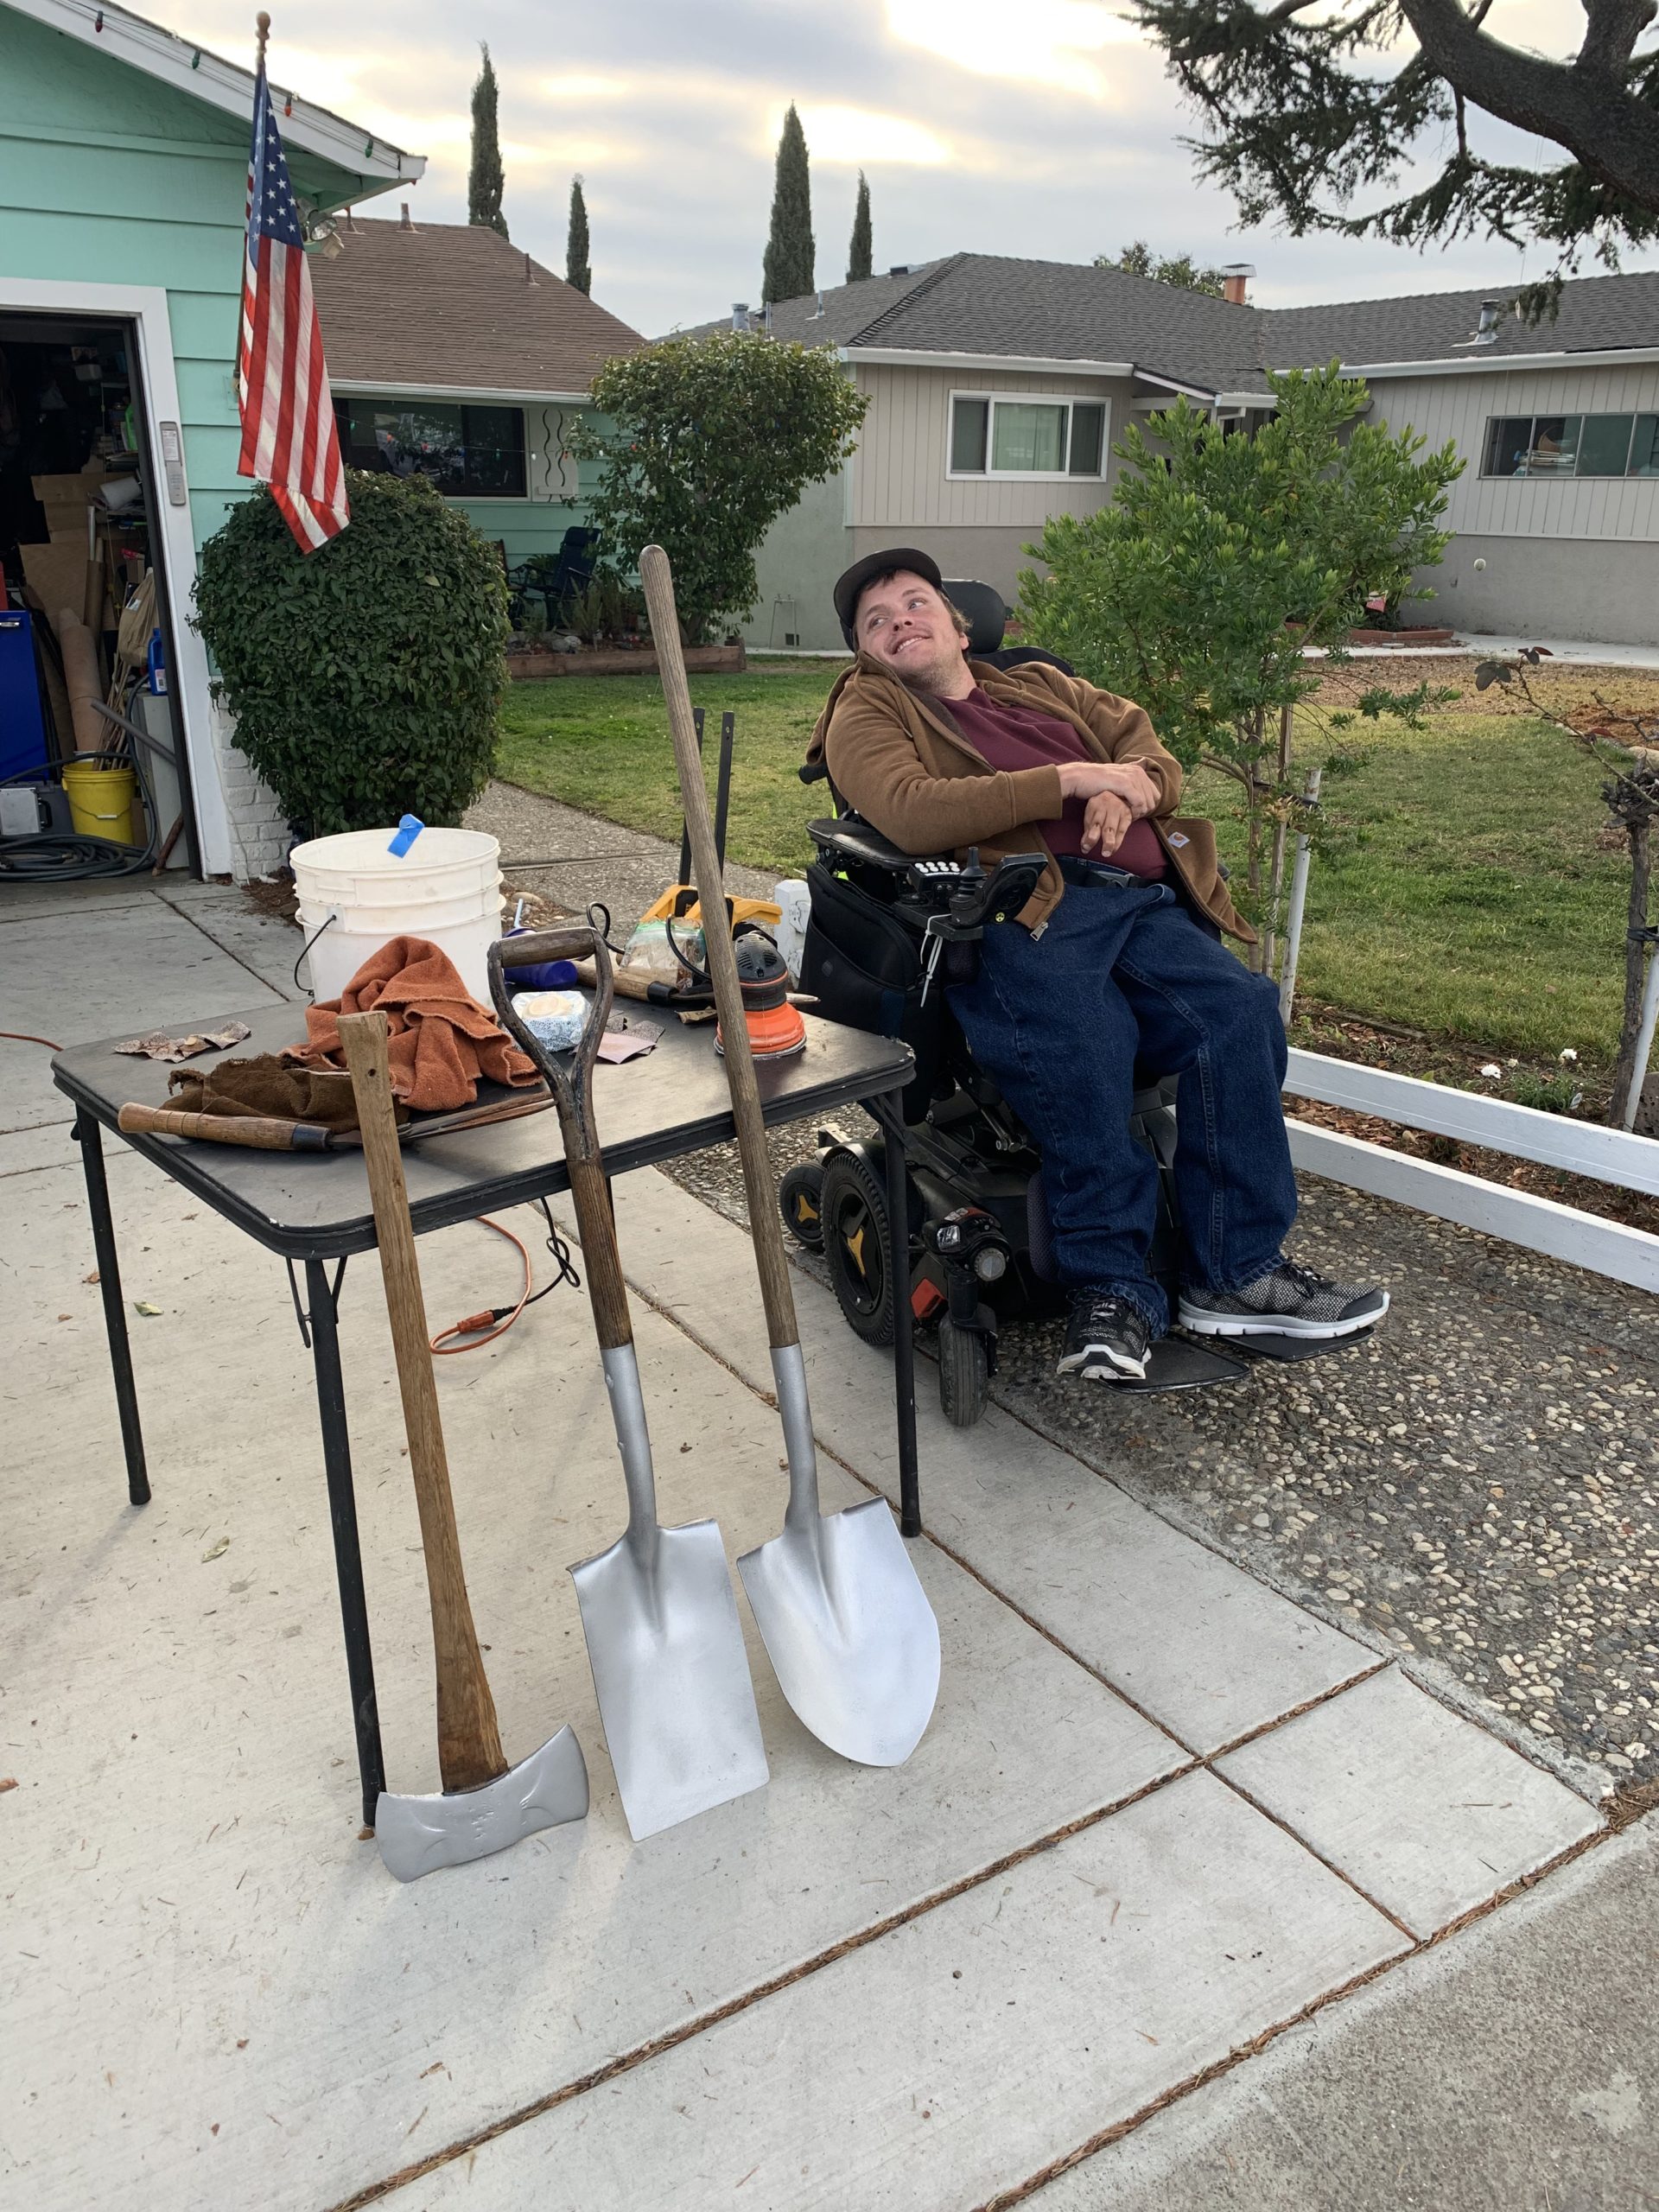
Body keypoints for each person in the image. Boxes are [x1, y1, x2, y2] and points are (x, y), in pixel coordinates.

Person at [806, 547, 1389, 1383]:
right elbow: (909, 810)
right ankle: (1112, 1288)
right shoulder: (867, 706)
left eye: (915, 603)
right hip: (1022, 910)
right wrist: (1073, 780)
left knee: (1239, 1013)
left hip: (1138, 901)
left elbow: (1151, 757)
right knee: (1086, 1042)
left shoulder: (1042, 684)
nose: (900, 620)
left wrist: (1125, 789)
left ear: (960, 628)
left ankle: (1235, 1273)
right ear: (866, 653)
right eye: (877, 621)